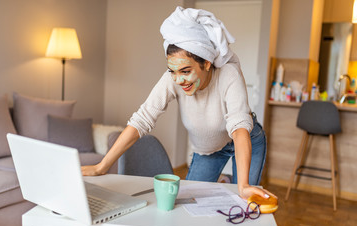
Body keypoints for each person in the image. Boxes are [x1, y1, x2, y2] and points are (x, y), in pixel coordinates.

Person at [82, 6, 276, 200]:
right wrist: (102, 166)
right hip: (209, 150)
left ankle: (230, 182)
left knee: (243, 199)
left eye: (185, 71)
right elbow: (141, 119)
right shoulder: (172, 79)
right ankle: (223, 180)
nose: (178, 80)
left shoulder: (228, 75)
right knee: (189, 203)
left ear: (207, 62)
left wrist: (243, 186)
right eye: (172, 71)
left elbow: (239, 129)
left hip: (246, 138)